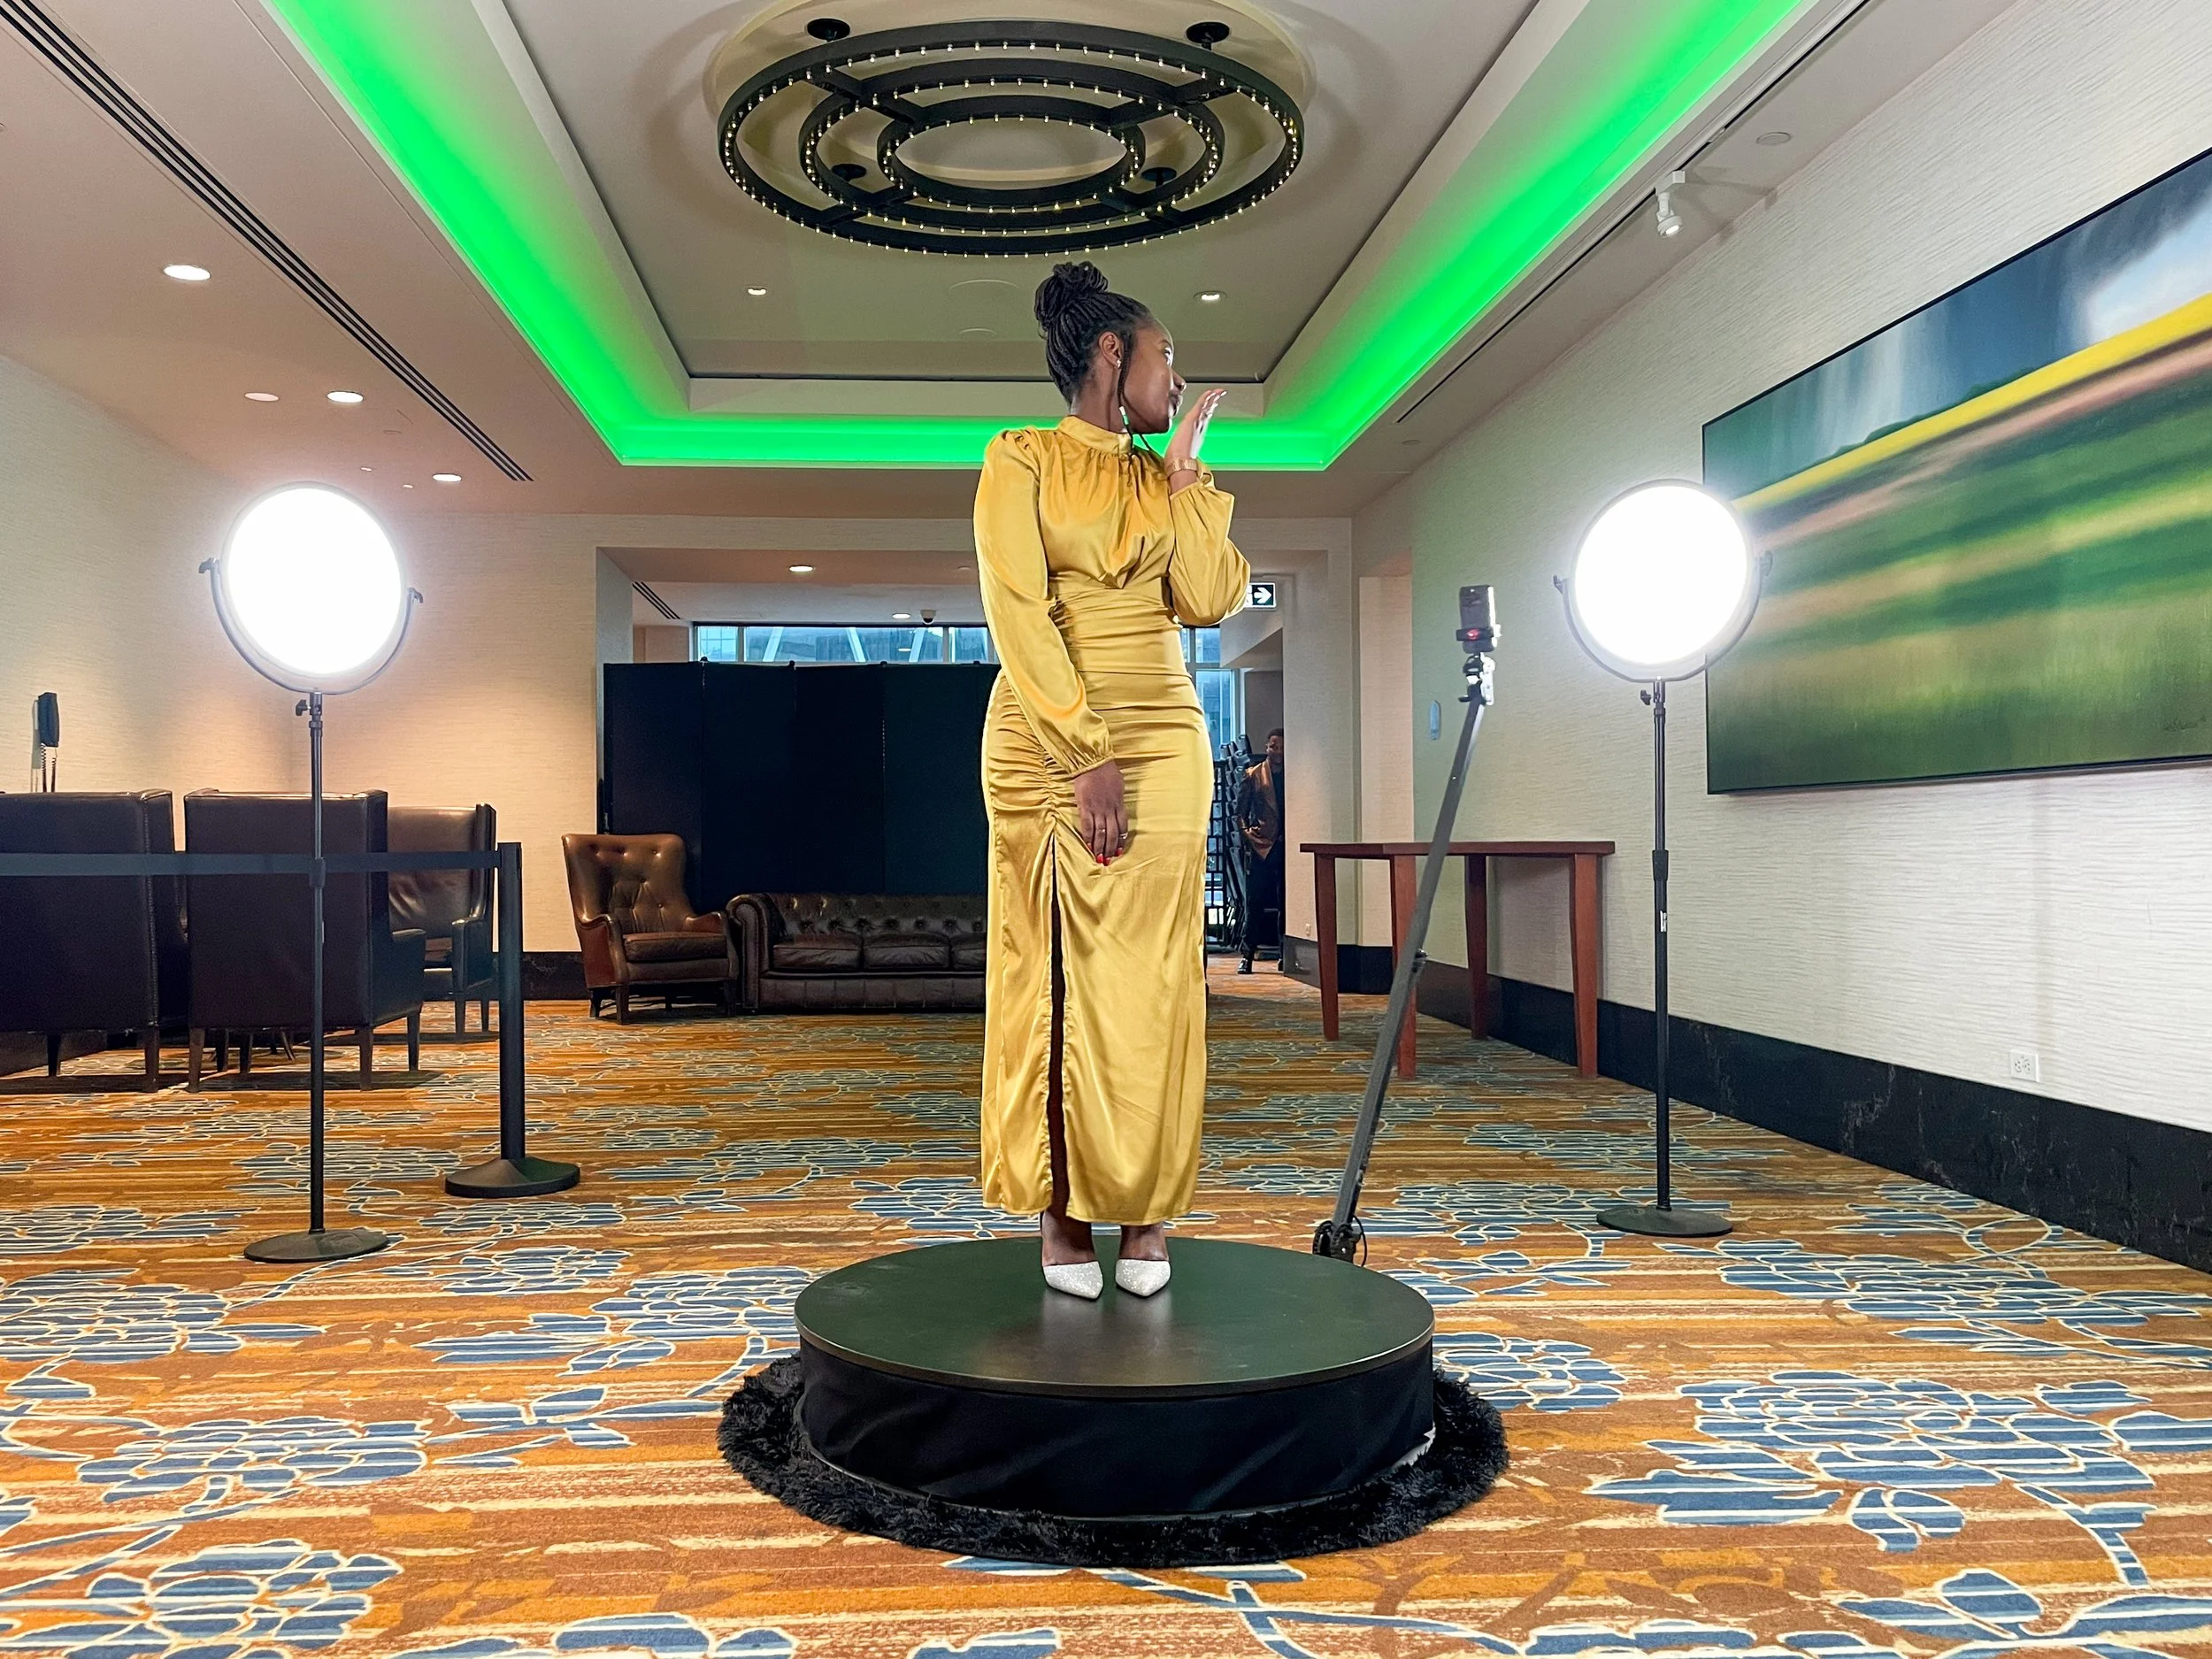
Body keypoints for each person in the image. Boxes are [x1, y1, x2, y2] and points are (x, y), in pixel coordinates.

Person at [973, 261, 1249, 1301]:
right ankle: (1059, 1217)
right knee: (1053, 974)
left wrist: (1189, 488)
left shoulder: (1163, 479)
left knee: (1157, 981)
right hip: (1046, 737)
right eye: (1166, 356)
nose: (1176, 380)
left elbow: (1209, 597)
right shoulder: (1022, 458)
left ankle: (1147, 1219)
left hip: (1166, 731)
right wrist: (1083, 749)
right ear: (1111, 354)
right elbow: (1016, 607)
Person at [1237, 728, 1285, 972]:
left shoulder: (1291, 775)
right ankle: (1247, 955)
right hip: (1261, 845)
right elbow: (1240, 813)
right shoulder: (1253, 774)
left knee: (1284, 902)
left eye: (1282, 748)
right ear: (1266, 748)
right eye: (1273, 747)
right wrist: (1248, 836)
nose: (1277, 752)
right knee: (1254, 902)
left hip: (1285, 845)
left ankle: (1286, 954)